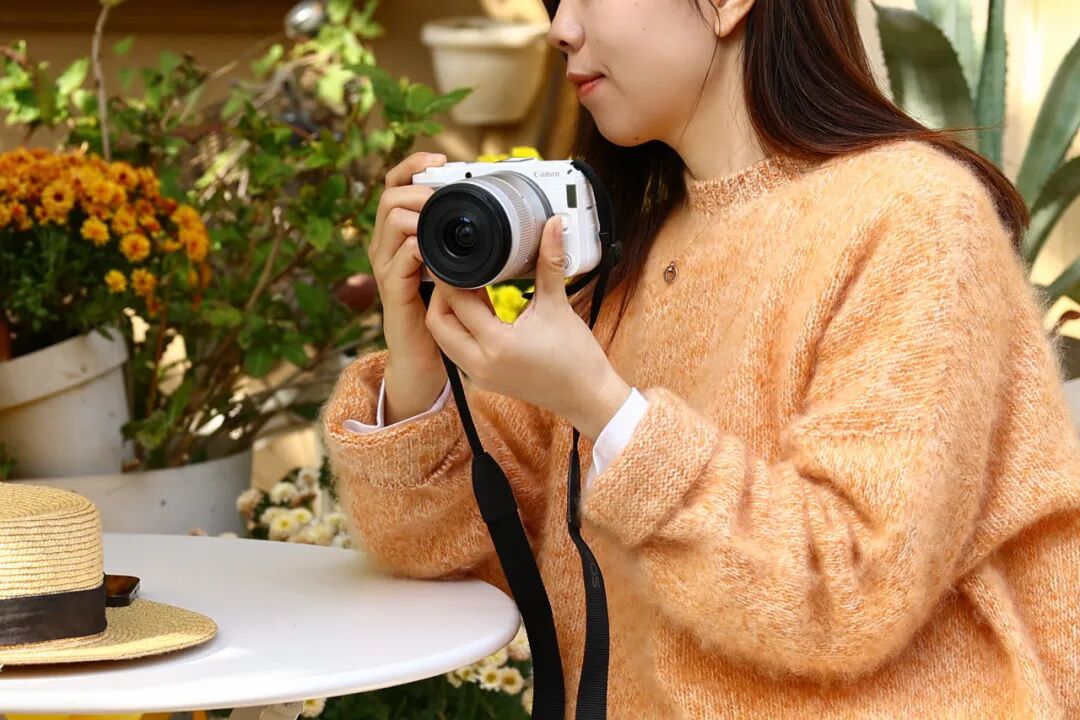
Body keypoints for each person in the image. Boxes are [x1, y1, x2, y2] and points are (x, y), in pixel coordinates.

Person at [320, 0, 1080, 716]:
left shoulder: (913, 216)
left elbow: (847, 589)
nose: (560, 28)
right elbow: (438, 550)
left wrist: (603, 408)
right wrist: (416, 356)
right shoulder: (626, 264)